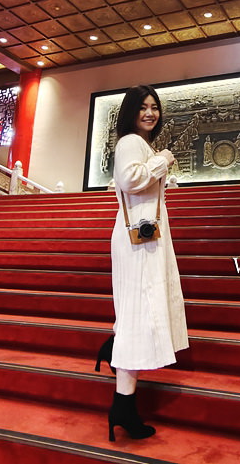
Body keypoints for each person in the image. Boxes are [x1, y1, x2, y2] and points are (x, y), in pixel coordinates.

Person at [95, 85, 189, 442]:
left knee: (136, 312)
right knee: (138, 311)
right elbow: (129, 179)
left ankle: (118, 361)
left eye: (155, 108)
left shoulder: (139, 145)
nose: (150, 113)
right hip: (139, 240)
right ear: (131, 111)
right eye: (143, 107)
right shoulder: (130, 142)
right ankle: (123, 405)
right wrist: (163, 160)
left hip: (144, 237)